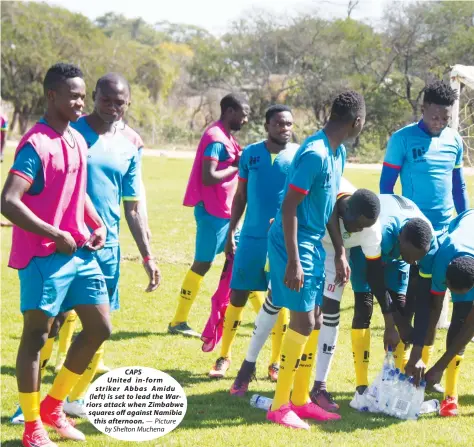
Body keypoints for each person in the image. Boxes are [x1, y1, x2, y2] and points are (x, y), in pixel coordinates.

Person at [1, 63, 111, 447]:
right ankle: (33, 428)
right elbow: (9, 201)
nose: (81, 102)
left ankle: (53, 406)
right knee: (36, 336)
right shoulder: (35, 144)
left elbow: (75, 190)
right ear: (52, 97)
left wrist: (95, 223)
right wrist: (54, 233)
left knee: (99, 328)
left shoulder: (76, 139)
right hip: (42, 255)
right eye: (74, 95)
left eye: (83, 95)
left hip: (78, 252)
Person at [231, 179, 383, 407]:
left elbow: (374, 269)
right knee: (276, 300)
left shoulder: (371, 228)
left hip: (334, 258)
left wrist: (341, 254)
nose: (361, 230)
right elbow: (291, 209)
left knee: (329, 313)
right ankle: (247, 368)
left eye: (365, 227)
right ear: (347, 210)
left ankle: (319, 387)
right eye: (358, 225)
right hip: (303, 243)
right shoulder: (322, 193)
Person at [61, 72, 160, 418]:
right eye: (106, 100)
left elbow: (131, 205)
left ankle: (73, 398)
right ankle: (25, 405)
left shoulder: (132, 141)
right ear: (94, 97)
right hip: (67, 243)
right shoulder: (70, 132)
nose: (113, 108)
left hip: (108, 248)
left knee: (99, 327)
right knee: (53, 322)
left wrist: (146, 253)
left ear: (128, 103)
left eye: (120, 102)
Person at [265, 91, 365, 430]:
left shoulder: (339, 152)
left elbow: (329, 208)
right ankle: (280, 406)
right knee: (303, 323)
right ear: (357, 122)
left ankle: (301, 399)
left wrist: (338, 251)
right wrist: (294, 260)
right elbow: (289, 207)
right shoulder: (315, 153)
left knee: (317, 319)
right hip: (291, 243)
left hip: (313, 244)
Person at [380, 80, 470, 375]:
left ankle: (426, 367)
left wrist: (465, 217)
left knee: (442, 300)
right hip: (413, 233)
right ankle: (400, 364)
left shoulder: (454, 140)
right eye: (435, 117)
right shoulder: (402, 139)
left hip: (445, 234)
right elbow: (386, 187)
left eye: (446, 118)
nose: (440, 123)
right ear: (423, 109)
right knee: (414, 298)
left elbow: (459, 187)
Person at [208, 105, 298, 379]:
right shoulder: (250, 154)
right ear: (267, 126)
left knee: (278, 298)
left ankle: (275, 363)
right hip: (251, 237)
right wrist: (232, 232)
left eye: (289, 124)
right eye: (279, 124)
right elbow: (241, 196)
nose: (285, 128)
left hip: (281, 240)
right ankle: (224, 357)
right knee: (237, 296)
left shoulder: (298, 156)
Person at [168, 94, 250, 337]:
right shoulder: (215, 138)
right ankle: (178, 321)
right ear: (229, 111)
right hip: (212, 213)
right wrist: (237, 167)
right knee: (202, 264)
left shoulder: (226, 137)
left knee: (239, 259)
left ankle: (252, 321)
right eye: (243, 113)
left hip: (224, 211)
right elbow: (208, 175)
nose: (245, 119)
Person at [347, 194, 435, 410]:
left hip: (396, 257)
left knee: (403, 311)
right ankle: (361, 385)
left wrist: (403, 324)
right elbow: (374, 277)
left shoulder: (425, 238)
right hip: (366, 253)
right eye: (411, 256)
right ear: (400, 240)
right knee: (364, 307)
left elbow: (422, 293)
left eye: (418, 258)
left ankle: (398, 381)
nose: (414, 262)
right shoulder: (381, 232)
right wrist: (389, 324)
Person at [423, 210, 474, 416]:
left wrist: (440, 365)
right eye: (451, 291)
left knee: (462, 318)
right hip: (465, 220)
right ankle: (445, 392)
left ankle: (450, 395)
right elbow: (434, 309)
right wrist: (422, 357)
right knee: (456, 318)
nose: (452, 297)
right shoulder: (442, 260)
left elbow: (470, 327)